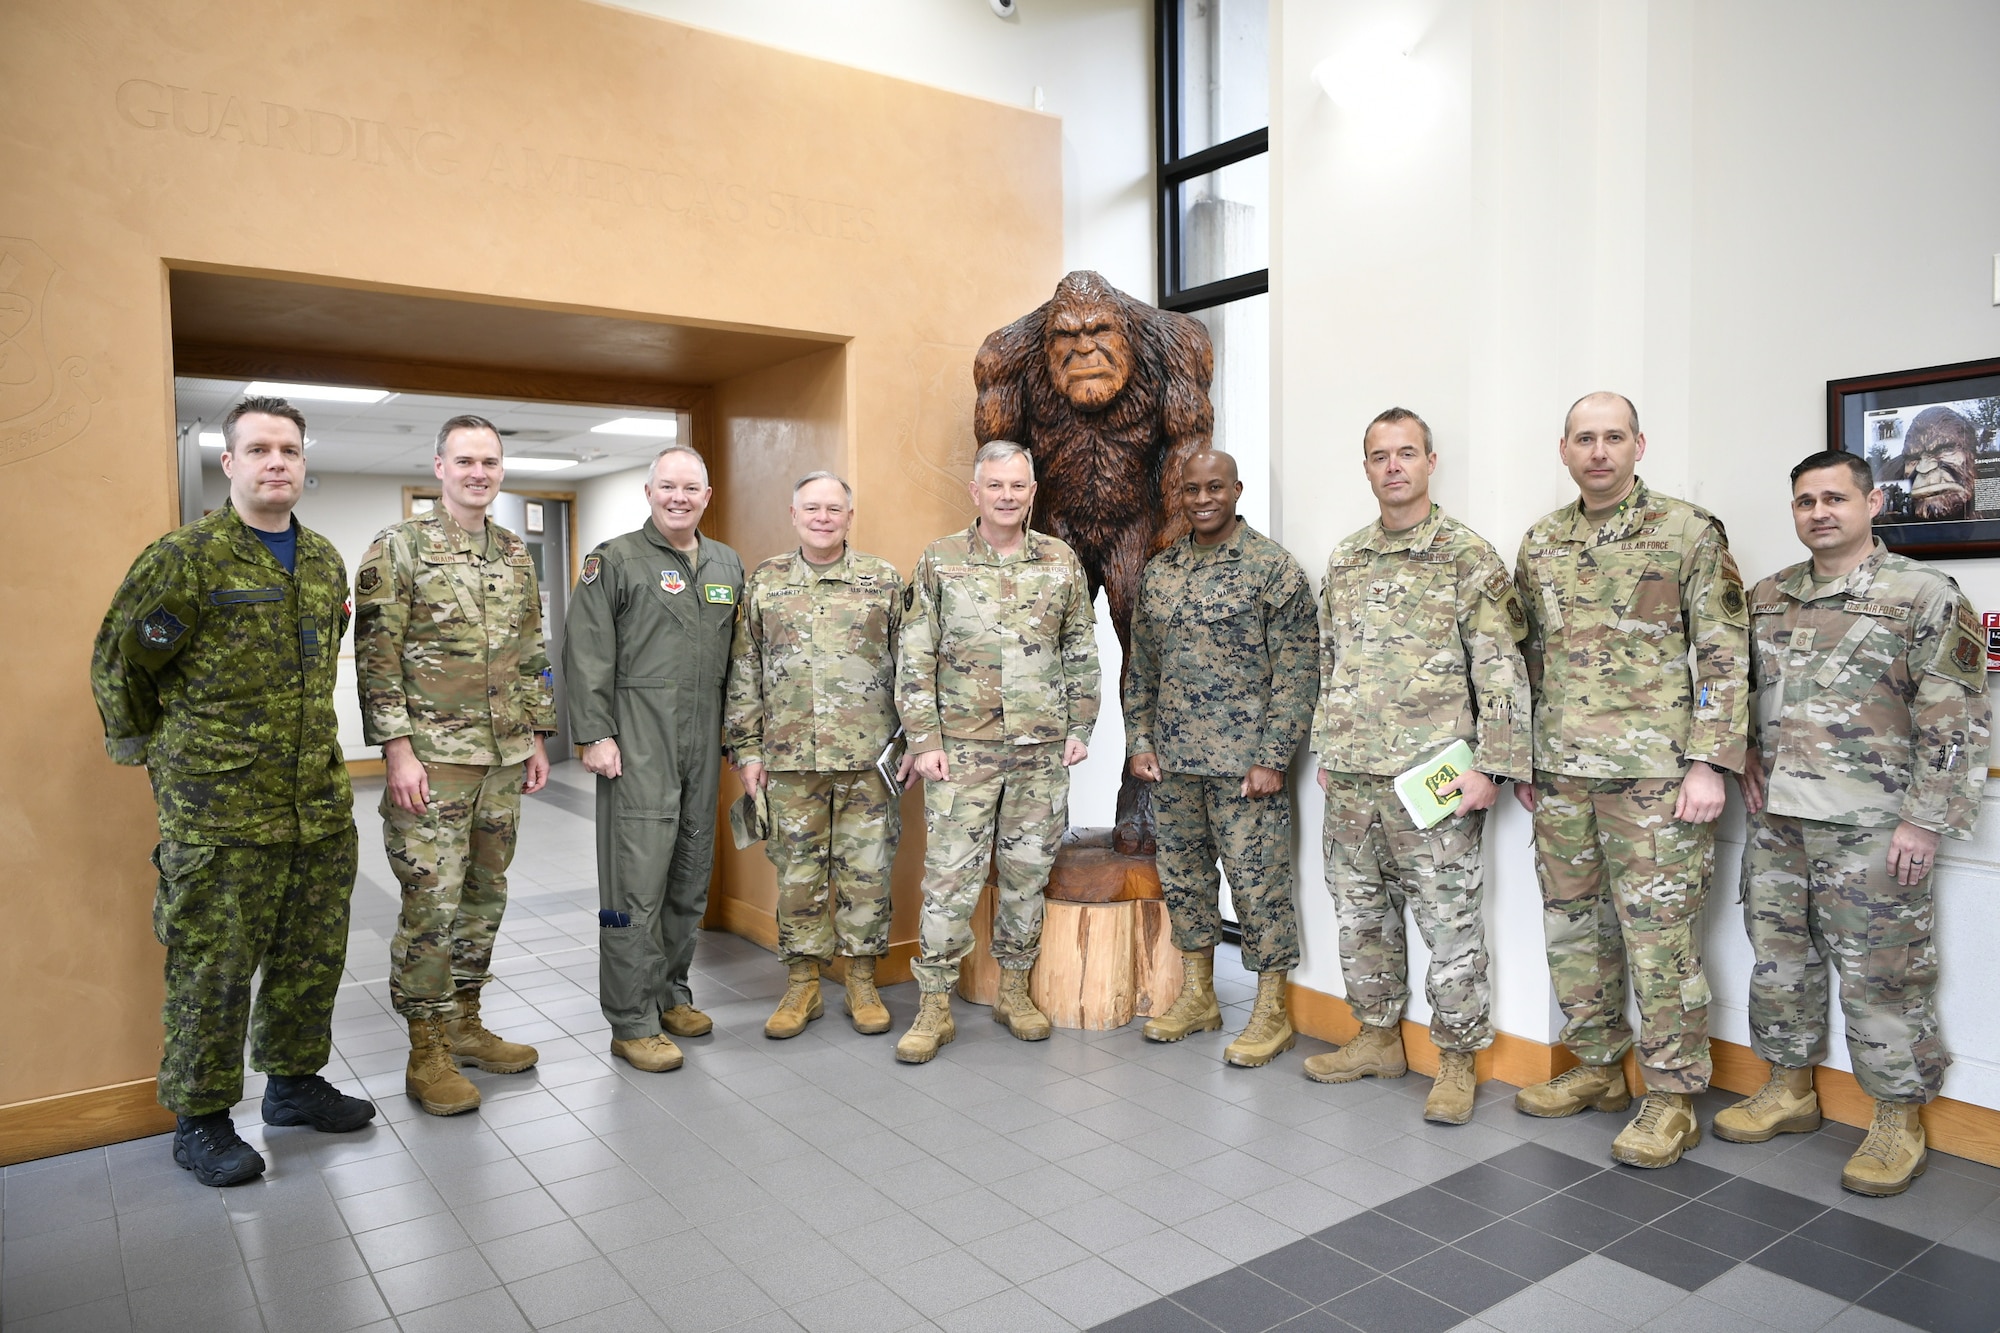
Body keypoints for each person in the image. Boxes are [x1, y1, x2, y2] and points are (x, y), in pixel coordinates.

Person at [91, 396, 375, 1187]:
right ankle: (201, 1118)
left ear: (304, 461)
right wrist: (167, 759)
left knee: (309, 956)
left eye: (288, 447)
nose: (275, 460)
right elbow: (121, 664)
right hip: (217, 813)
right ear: (230, 464)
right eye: (258, 448)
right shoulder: (186, 559)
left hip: (313, 802)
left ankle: (292, 1085)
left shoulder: (321, 561)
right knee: (212, 971)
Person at [1721, 450, 1989, 1196]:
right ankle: (1789, 1087)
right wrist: (1739, 750)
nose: (1819, 512)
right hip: (1778, 821)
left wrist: (1925, 821)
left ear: (1873, 503)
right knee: (1779, 960)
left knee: (1884, 975)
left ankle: (1897, 1116)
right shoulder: (1770, 596)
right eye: (1805, 501)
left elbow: (1956, 716)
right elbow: (1736, 688)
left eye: (1834, 497)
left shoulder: (1924, 594)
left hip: (1873, 827)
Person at [1510, 391, 1750, 1168]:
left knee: (1661, 940)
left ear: (1640, 445)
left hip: (1655, 776)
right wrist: (1526, 760)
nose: (1600, 450)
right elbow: (1529, 659)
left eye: (1614, 437)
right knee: (1574, 929)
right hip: (1562, 773)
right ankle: (1598, 1066)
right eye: (1586, 437)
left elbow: (1722, 650)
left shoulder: (1687, 530)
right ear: (1565, 448)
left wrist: (1710, 759)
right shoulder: (1541, 541)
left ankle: (1673, 1095)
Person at [1302, 409, 1532, 1123]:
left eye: (1407, 453)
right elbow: (1330, 658)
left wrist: (1494, 767)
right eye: (1380, 455)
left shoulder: (1468, 558)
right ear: (1365, 467)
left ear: (1432, 461)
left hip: (1433, 783)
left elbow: (1501, 669)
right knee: (1359, 916)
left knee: (1450, 924)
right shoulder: (1346, 558)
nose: (1393, 465)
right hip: (1353, 780)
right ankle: (1376, 1036)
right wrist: (1328, 748)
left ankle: (1457, 1060)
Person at [353, 414, 555, 1115]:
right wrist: (397, 749)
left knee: (483, 896)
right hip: (433, 761)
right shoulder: (400, 546)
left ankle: (466, 1021)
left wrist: (537, 732)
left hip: (503, 754)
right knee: (431, 906)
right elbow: (377, 655)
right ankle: (427, 1048)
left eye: (490, 462)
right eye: (465, 460)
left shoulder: (513, 550)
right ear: (439, 467)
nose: (478, 472)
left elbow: (533, 646)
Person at [894, 440, 1100, 1062]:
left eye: (1018, 486)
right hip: (961, 752)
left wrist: (1081, 727)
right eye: (996, 486)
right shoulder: (941, 560)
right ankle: (934, 1005)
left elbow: (1081, 650)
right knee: (950, 880)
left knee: (1026, 876)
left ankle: (1015, 990)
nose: (1007, 497)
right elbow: (915, 656)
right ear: (975, 492)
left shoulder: (1061, 561)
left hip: (1040, 752)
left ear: (1031, 492)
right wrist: (923, 740)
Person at [1126, 450, 1318, 1067]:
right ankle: (1199, 995)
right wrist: (1140, 741)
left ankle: (1271, 1010)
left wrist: (1273, 756)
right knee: (1185, 883)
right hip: (1175, 764)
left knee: (1259, 887)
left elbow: (1297, 671)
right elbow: (1143, 667)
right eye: (1191, 489)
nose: (1203, 498)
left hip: (1245, 771)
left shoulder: (1271, 569)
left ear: (1236, 489)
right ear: (1179, 495)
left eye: (1216, 486)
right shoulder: (1160, 573)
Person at [564, 444, 744, 1072]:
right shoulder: (614, 561)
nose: (678, 498)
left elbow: (739, 662)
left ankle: (672, 994)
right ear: (649, 492)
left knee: (689, 879)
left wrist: (738, 739)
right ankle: (631, 1018)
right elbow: (586, 651)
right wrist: (593, 734)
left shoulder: (725, 563)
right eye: (667, 486)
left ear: (706, 497)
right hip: (637, 746)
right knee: (634, 887)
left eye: (691, 488)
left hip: (701, 744)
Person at [724, 471, 905, 1039]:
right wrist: (747, 749)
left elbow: (913, 669)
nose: (823, 517)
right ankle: (802, 984)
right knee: (799, 876)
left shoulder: (883, 580)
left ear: (850, 517)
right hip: (788, 760)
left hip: (868, 760)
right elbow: (745, 668)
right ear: (794, 514)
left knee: (868, 874)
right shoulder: (766, 582)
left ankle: (861, 980)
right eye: (812, 508)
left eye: (834, 508)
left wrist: (914, 746)